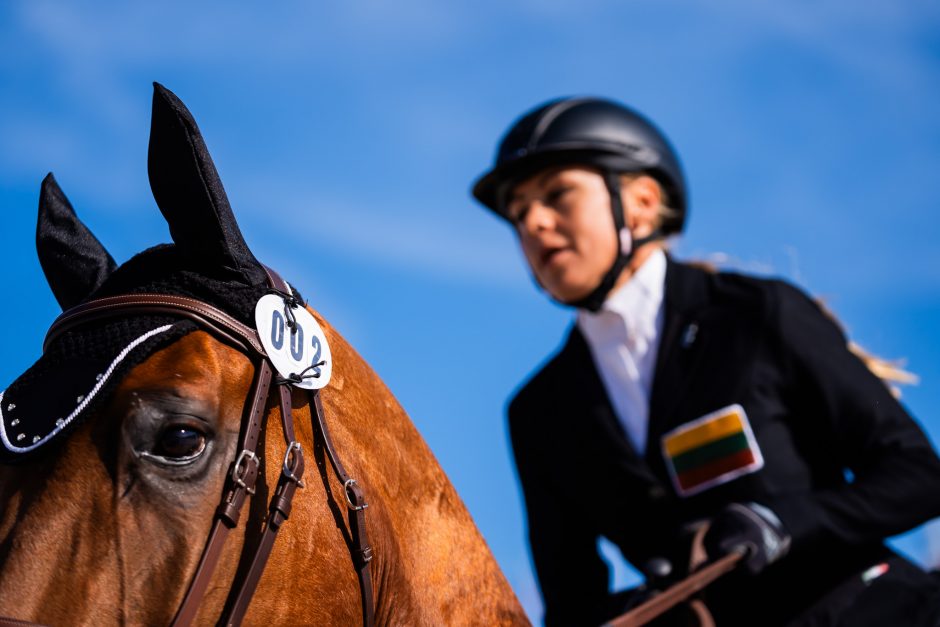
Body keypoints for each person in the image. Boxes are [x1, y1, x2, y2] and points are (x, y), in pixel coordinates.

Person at [471, 97, 940, 626]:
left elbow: (919, 474)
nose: (532, 222)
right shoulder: (539, 411)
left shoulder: (759, 314)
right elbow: (572, 604)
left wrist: (785, 521)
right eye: (517, 212)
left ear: (643, 202)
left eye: (557, 194)